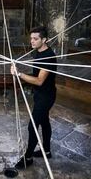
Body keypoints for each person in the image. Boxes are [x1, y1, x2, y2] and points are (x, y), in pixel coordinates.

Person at [10, 26, 57, 169]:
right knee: (44, 122)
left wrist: (19, 74)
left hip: (46, 97)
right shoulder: (38, 51)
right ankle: (47, 151)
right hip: (40, 94)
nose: (32, 41)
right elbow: (37, 67)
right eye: (31, 38)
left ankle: (28, 157)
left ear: (44, 40)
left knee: (33, 127)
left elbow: (39, 80)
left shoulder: (49, 57)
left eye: (35, 39)